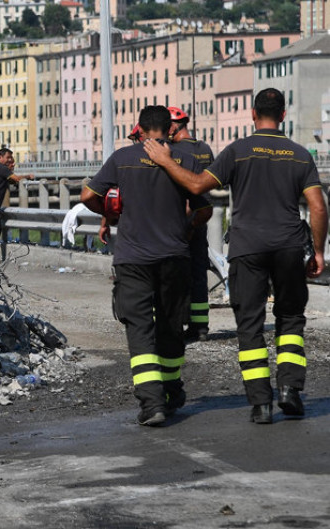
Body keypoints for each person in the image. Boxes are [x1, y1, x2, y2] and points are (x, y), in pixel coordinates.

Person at [144, 88, 328, 424]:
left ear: (253, 115)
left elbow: (199, 186)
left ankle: (260, 404)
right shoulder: (301, 155)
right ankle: (290, 390)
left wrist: (166, 161)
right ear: (283, 115)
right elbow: (317, 206)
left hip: (247, 250)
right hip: (288, 248)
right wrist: (317, 250)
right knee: (290, 320)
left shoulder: (238, 151)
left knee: (250, 325)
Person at [81, 106, 209, 426]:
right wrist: (188, 228)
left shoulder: (122, 158)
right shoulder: (186, 159)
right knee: (170, 325)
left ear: (140, 127)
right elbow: (203, 208)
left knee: (139, 328)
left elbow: (87, 195)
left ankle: (152, 404)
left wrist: (111, 216)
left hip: (133, 258)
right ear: (169, 129)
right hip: (174, 255)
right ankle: (172, 389)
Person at [167, 106, 215, 342]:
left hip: (180, 218)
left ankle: (176, 322)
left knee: (175, 272)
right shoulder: (205, 149)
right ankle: (201, 325)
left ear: (175, 126)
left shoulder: (174, 151)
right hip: (201, 216)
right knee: (199, 271)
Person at [0, 148, 34, 260]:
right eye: (8, 157)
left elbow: (11, 180)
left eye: (11, 158)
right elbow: (16, 179)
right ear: (0, 158)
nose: (10, 160)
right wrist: (29, 176)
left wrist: (12, 172)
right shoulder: (2, 168)